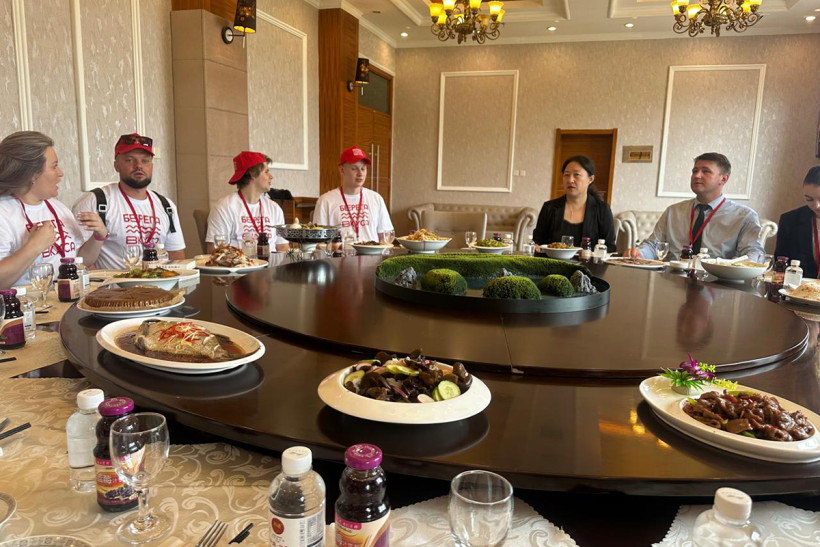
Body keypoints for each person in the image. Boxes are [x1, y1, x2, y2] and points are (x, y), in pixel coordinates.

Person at [0, 131, 108, 288]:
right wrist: (34, 246)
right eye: (54, 166)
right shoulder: (4, 213)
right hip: (26, 303)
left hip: (65, 299)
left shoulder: (57, 207)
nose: (60, 173)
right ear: (32, 174)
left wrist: (98, 236)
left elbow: (80, 261)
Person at [72, 133, 186, 269]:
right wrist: (103, 283)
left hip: (158, 282)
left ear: (152, 166)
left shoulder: (166, 205)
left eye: (145, 161)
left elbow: (175, 253)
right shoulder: (95, 201)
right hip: (112, 282)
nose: (139, 166)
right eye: (130, 160)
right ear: (116, 165)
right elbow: (79, 260)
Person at [625, 153, 764, 262]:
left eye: (706, 171)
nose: (697, 176)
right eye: (694, 171)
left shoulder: (744, 216)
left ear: (723, 179)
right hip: (672, 279)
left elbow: (754, 255)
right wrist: (639, 253)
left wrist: (731, 267)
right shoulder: (673, 211)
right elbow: (653, 246)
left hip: (717, 283)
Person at [205, 151, 289, 253]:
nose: (271, 176)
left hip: (271, 262)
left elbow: (283, 247)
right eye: (266, 172)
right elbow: (215, 250)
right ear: (253, 174)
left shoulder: (275, 208)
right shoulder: (224, 207)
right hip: (240, 262)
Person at [532, 155, 616, 251]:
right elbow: (537, 241)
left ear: (590, 179)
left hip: (589, 261)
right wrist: (535, 246)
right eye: (566, 175)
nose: (570, 180)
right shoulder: (549, 208)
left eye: (576, 175)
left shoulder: (602, 210)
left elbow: (610, 247)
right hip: (552, 260)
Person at [313, 146, 393, 243]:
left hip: (372, 252)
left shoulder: (376, 198)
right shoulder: (325, 201)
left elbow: (385, 235)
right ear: (342, 170)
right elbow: (318, 240)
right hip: (339, 252)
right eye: (354, 169)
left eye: (363, 168)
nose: (360, 173)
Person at [774, 165, 820, 279]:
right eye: (809, 199)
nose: (816, 205)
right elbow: (780, 264)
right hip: (800, 286)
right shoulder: (790, 221)